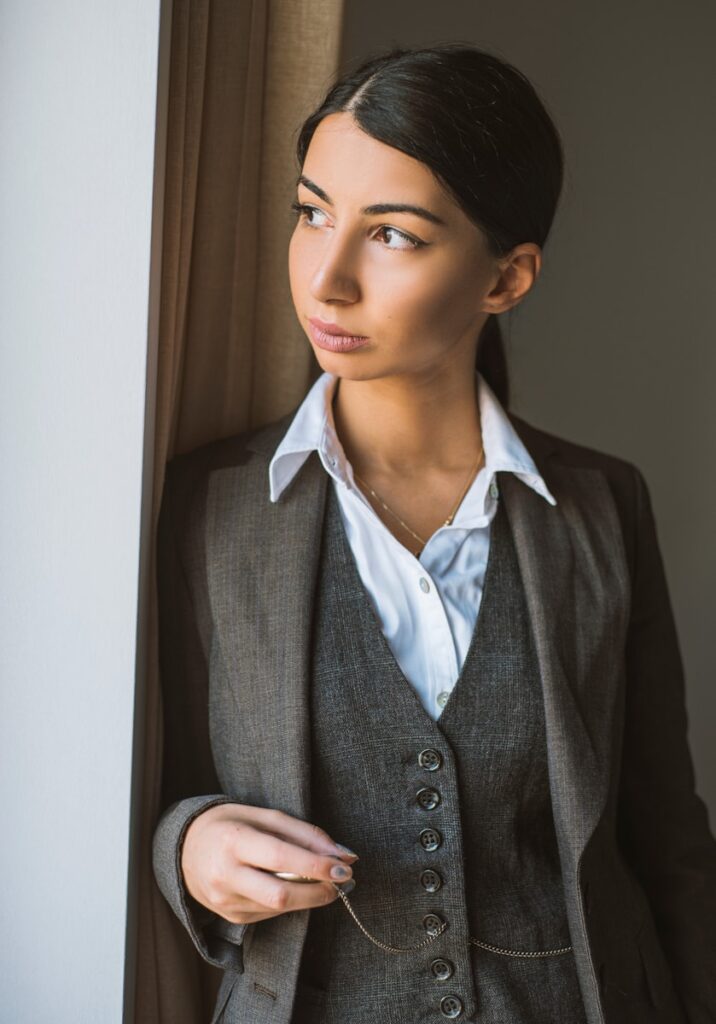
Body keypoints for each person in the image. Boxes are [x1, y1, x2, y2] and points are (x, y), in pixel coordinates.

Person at [152, 43, 716, 1024]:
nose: (325, 278)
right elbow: (143, 780)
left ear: (504, 278)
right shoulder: (209, 505)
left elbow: (666, 837)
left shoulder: (599, 505)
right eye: (311, 211)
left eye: (394, 235)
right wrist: (189, 847)